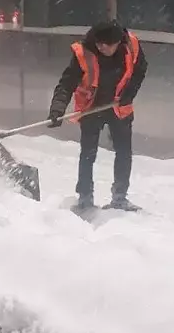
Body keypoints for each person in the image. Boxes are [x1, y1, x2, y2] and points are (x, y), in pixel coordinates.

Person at [48, 20, 147, 212]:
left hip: (119, 107)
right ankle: (85, 197)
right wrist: (57, 108)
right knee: (88, 154)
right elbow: (67, 83)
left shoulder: (131, 46)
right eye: (99, 43)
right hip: (91, 107)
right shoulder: (83, 53)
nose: (102, 47)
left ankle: (120, 197)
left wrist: (129, 93)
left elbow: (140, 69)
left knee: (124, 152)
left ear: (118, 42)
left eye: (107, 45)